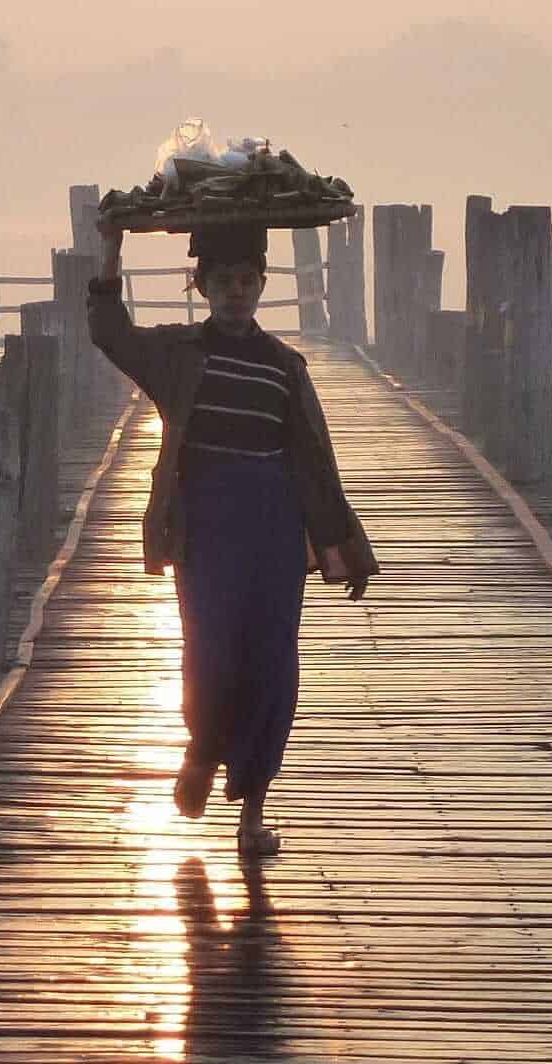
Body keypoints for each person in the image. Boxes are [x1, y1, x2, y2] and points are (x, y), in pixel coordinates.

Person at [88, 217, 379, 857]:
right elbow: (110, 334)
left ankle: (252, 818)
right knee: (211, 651)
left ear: (262, 285)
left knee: (271, 666)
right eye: (223, 282)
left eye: (247, 281)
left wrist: (345, 545)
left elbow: (315, 464)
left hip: (274, 530)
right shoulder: (177, 356)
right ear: (202, 287)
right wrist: (111, 247)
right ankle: (202, 751)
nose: (236, 292)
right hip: (205, 527)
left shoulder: (285, 367)